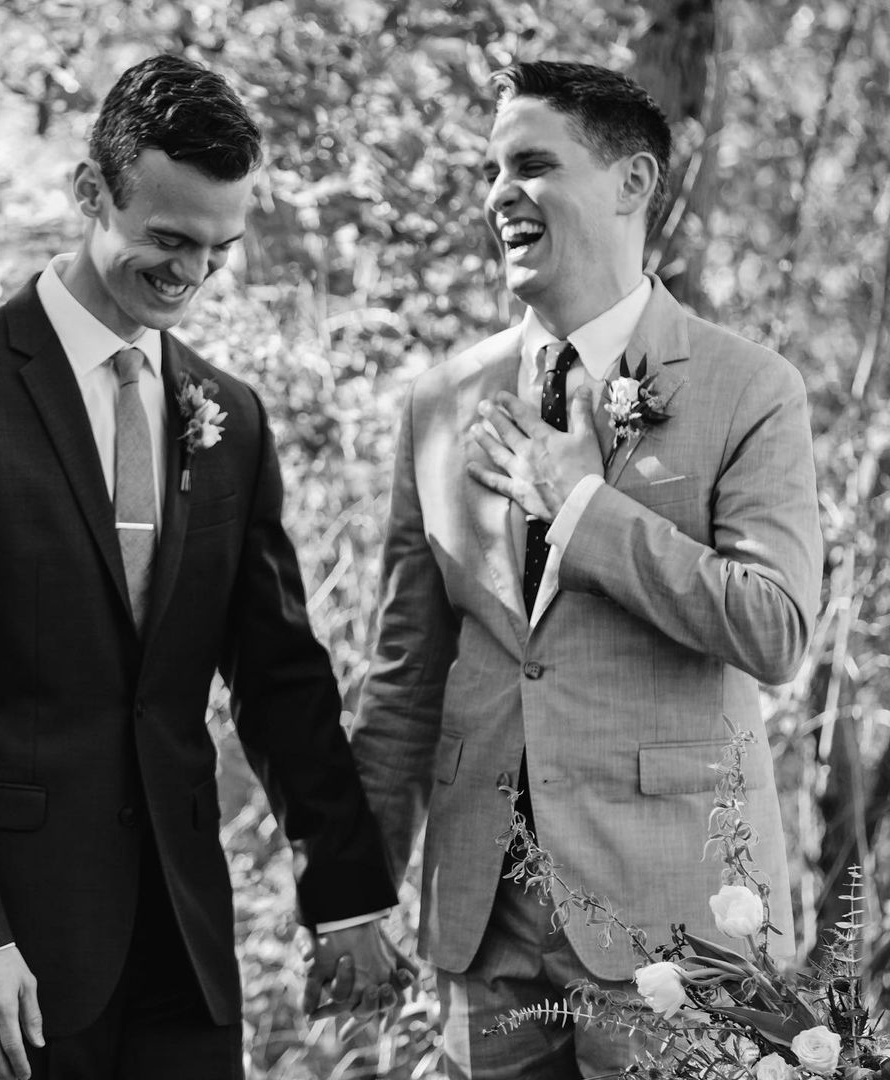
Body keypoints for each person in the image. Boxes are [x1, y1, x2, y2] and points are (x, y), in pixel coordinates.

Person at [0, 53, 408, 1080]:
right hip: (9, 953)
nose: (192, 274)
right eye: (168, 240)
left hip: (181, 943)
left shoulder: (230, 417)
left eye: (219, 249)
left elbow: (279, 675)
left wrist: (345, 896)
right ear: (89, 192)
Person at [349, 60, 822, 1079]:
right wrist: (354, 895)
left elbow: (775, 624)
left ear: (632, 181)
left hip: (681, 928)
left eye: (531, 164)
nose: (499, 194)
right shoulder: (439, 403)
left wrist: (581, 507)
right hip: (482, 925)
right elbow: (406, 676)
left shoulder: (749, 389)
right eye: (491, 170)